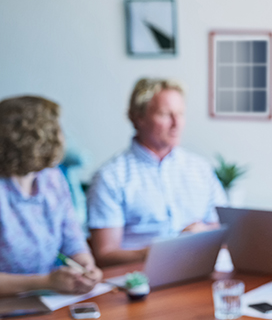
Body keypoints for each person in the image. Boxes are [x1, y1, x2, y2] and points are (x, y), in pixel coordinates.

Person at [87, 78, 226, 267]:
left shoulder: (200, 168)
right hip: (140, 280)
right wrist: (170, 249)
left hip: (198, 271)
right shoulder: (111, 177)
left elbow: (223, 229)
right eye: (165, 114)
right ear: (138, 118)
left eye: (180, 114)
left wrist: (202, 236)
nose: (176, 123)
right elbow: (105, 254)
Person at [0, 96, 103, 298]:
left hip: (51, 300)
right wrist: (45, 282)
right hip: (3, 304)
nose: (63, 137)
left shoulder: (53, 178)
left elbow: (74, 241)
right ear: (33, 138)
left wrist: (86, 266)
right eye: (57, 129)